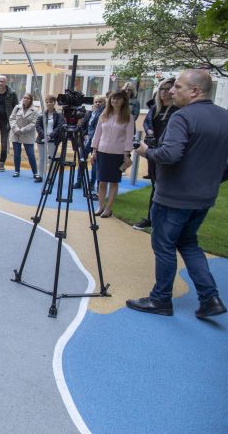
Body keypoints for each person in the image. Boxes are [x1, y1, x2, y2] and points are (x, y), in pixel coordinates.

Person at [128, 69, 228, 318]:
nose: (171, 91)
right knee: (188, 243)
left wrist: (144, 152)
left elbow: (169, 155)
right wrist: (213, 180)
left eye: (179, 87)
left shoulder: (182, 117)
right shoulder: (224, 117)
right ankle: (210, 299)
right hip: (203, 198)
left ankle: (161, 299)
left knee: (164, 246)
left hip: (173, 197)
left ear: (195, 91)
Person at [133, 77, 178, 230]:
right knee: (155, 185)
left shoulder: (177, 110)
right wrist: (150, 132)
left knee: (163, 186)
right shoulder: (155, 108)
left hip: (166, 152)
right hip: (153, 150)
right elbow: (147, 123)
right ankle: (151, 218)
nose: (164, 92)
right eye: (162, 89)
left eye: (167, 89)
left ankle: (163, 220)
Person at [90, 90, 134, 218]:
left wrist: (127, 154)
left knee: (113, 182)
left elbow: (129, 137)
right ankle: (101, 206)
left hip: (117, 154)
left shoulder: (128, 117)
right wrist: (94, 151)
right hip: (102, 152)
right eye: (114, 98)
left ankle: (108, 208)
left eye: (119, 99)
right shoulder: (104, 114)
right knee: (102, 181)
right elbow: (97, 134)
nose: (116, 101)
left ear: (124, 101)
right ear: (110, 100)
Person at [9, 93, 40, 180]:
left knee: (30, 154)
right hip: (16, 134)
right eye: (24, 98)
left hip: (28, 135)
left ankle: (35, 173)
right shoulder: (17, 107)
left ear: (31, 100)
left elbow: (34, 124)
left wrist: (22, 130)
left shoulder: (35, 110)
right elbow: (11, 118)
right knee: (17, 153)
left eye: (28, 98)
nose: (25, 99)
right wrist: (16, 129)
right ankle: (17, 171)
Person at [80, 95, 106, 199]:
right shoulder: (90, 113)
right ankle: (79, 181)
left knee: (95, 164)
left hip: (97, 141)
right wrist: (85, 134)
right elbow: (83, 125)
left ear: (104, 103)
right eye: (96, 102)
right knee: (82, 158)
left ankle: (93, 184)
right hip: (87, 140)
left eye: (100, 102)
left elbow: (99, 129)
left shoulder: (103, 114)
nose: (98, 103)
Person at [35, 94, 62, 182]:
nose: (48, 104)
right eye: (47, 102)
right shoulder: (41, 114)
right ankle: (40, 175)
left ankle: (50, 176)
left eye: (50, 102)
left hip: (52, 139)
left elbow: (59, 126)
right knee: (42, 157)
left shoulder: (58, 115)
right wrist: (44, 135)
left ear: (54, 103)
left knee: (51, 158)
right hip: (42, 138)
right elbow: (38, 125)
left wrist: (50, 136)